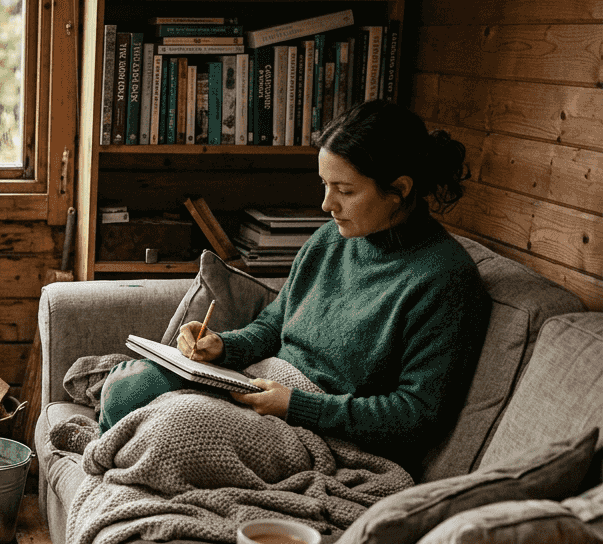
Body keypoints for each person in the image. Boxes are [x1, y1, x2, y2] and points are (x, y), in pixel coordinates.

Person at [98, 99, 490, 476]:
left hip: (323, 429)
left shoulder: (445, 279)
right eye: (324, 184)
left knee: (168, 433)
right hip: (263, 384)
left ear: (400, 189)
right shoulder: (331, 239)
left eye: (345, 190)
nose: (326, 204)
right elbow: (275, 323)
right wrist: (224, 345)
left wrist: (299, 407)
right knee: (124, 388)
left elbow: (414, 414)